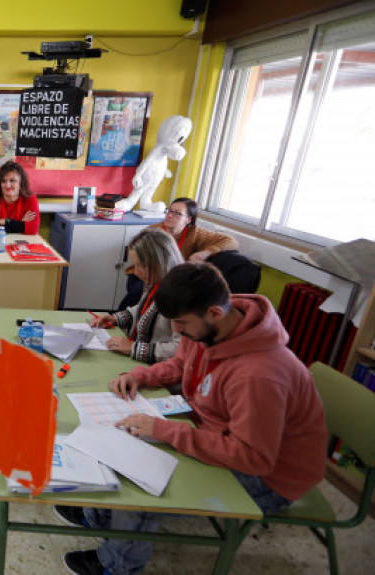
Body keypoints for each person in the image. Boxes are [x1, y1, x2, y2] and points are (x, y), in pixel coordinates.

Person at [60, 263, 328, 575]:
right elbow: (180, 364)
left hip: (271, 477)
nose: (175, 331)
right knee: (126, 440)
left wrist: (167, 432)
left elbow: (253, 457)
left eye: (181, 323)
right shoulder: (211, 325)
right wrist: (140, 374)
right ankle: (102, 518)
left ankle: (117, 565)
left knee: (143, 475)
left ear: (214, 313)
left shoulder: (260, 375)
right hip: (218, 433)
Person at [119, 197, 238, 310]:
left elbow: (231, 241)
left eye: (177, 213)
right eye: (169, 211)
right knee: (137, 292)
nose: (170, 215)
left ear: (188, 219)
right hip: (146, 273)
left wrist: (206, 252)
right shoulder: (153, 230)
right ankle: (120, 321)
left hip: (174, 277)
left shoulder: (195, 233)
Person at [89, 229, 183, 364]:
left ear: (162, 262)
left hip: (158, 369)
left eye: (142, 265)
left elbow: (180, 349)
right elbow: (143, 309)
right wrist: (115, 318)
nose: (136, 272)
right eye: (135, 264)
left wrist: (133, 348)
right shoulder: (156, 282)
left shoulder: (180, 296)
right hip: (141, 362)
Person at [0, 160, 39, 235]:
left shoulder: (30, 199)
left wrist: (6, 221)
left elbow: (33, 229)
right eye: (4, 181)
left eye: (12, 181)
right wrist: (20, 224)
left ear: (21, 182)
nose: (8, 185)